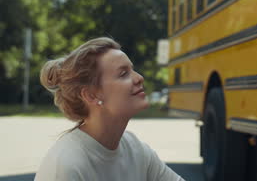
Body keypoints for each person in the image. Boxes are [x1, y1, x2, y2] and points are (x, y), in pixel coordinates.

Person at [35, 37, 184, 181]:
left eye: (132, 70)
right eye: (123, 74)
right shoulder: (65, 166)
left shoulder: (135, 149)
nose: (139, 78)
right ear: (91, 95)